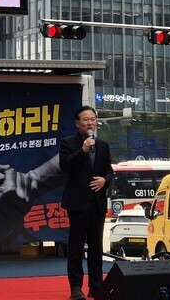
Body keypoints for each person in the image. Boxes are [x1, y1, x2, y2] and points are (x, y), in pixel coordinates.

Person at [59, 106, 113, 300]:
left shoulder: (103, 145)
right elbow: (65, 166)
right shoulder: (69, 143)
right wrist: (83, 150)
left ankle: (96, 287)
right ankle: (75, 287)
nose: (90, 123)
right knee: (76, 247)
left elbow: (109, 171)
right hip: (78, 203)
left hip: (97, 203)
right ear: (77, 123)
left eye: (93, 119)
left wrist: (104, 181)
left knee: (96, 247)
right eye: (86, 120)